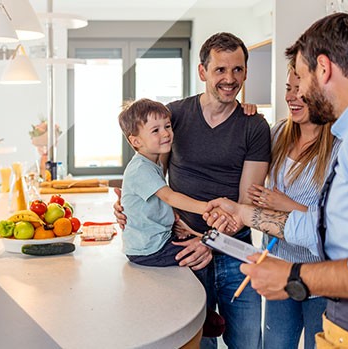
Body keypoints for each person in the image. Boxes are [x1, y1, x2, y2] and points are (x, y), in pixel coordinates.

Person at [204, 12, 348, 349]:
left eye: (301, 77)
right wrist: (243, 214)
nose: (298, 93)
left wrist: (295, 276)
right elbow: (324, 228)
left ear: (323, 69)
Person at [115, 32, 271, 349]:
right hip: (179, 248)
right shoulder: (175, 116)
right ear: (202, 72)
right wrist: (132, 207)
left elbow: (245, 204)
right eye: (220, 70)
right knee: (195, 342)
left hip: (232, 250)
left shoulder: (254, 126)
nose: (230, 79)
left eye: (238, 70)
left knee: (248, 342)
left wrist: (210, 241)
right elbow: (149, 172)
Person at [247, 62, 340, 349]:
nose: (290, 96)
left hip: (320, 278)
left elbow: (337, 223)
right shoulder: (276, 134)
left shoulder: (340, 147)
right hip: (277, 266)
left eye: (300, 90)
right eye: (288, 88)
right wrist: (243, 117)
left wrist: (288, 205)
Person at [117, 98, 227, 338]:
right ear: (135, 141)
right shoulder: (141, 169)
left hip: (156, 237)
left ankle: (195, 311)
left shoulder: (152, 162)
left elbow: (156, 206)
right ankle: (200, 315)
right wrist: (206, 208)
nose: (165, 133)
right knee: (196, 259)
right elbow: (170, 196)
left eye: (167, 126)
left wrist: (176, 222)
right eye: (155, 130)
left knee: (193, 247)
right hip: (148, 248)